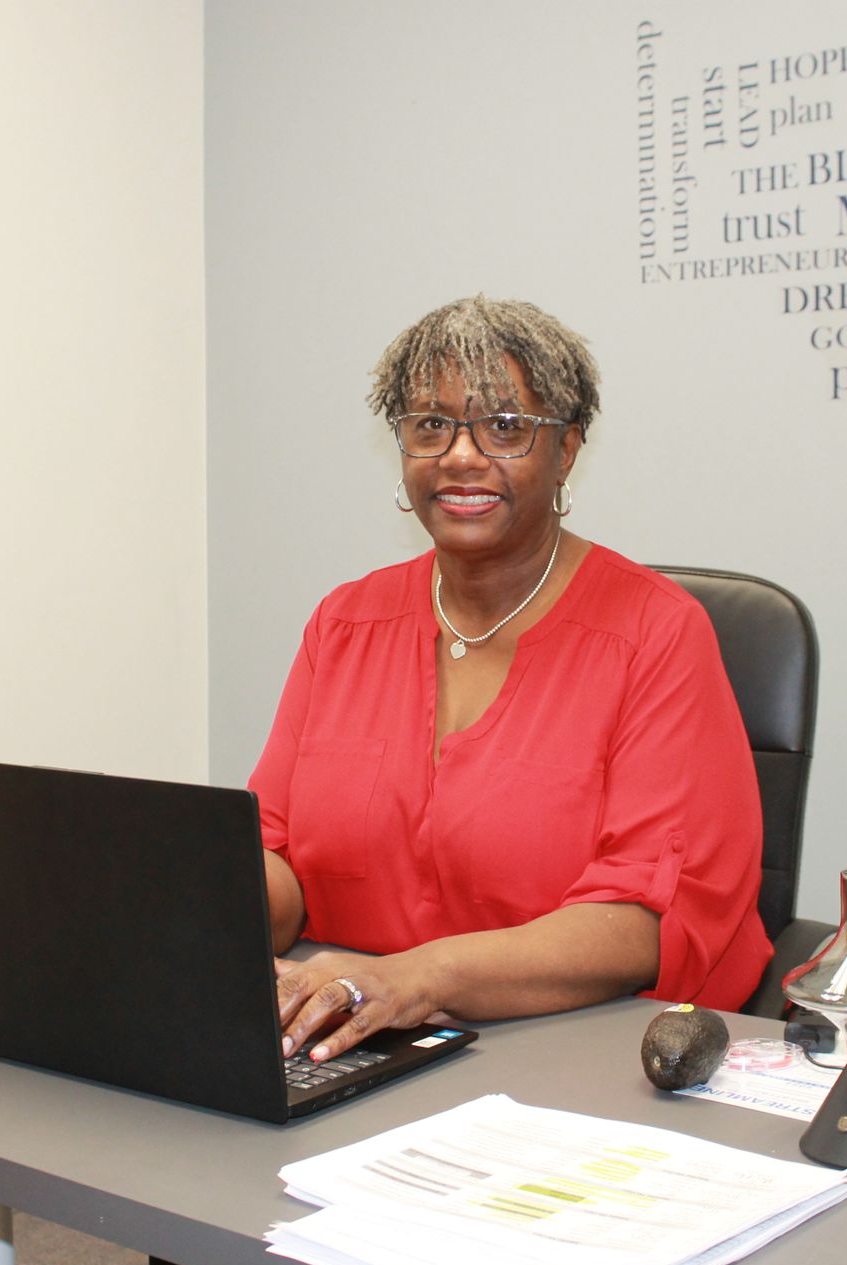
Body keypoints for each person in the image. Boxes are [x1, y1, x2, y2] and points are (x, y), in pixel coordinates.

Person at [256, 295, 771, 1064]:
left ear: (565, 451)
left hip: (579, 1055)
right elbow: (280, 857)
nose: (461, 456)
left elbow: (640, 925)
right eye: (430, 425)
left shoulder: (654, 633)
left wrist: (407, 979)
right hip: (352, 1042)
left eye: (505, 428)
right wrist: (191, 916)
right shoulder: (345, 622)